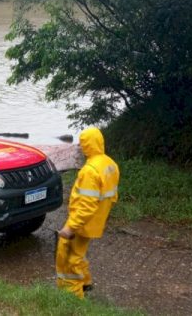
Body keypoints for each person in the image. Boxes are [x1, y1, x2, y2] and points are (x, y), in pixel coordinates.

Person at [55, 127, 120, 299]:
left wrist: (71, 227)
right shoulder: (110, 164)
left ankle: (73, 295)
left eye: (82, 143)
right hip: (97, 219)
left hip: (83, 222)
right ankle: (86, 282)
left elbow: (86, 205)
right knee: (79, 252)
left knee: (69, 256)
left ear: (86, 145)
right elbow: (112, 195)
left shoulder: (90, 170)